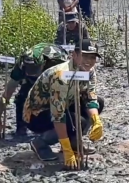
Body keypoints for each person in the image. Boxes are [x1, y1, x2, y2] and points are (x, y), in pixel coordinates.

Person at [23, 39, 104, 169]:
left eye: (93, 57)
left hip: (65, 103)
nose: (89, 60)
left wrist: (96, 120)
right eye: (85, 56)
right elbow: (58, 114)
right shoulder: (61, 75)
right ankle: (40, 143)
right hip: (37, 114)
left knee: (98, 102)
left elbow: (90, 97)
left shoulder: (89, 71)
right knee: (76, 121)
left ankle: (74, 142)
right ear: (74, 55)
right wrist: (66, 150)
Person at [0, 43, 68, 135]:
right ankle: (21, 128)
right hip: (34, 78)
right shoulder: (21, 64)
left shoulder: (58, 61)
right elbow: (8, 92)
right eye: (29, 70)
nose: (31, 73)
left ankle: (56, 127)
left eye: (34, 70)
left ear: (43, 63)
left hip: (53, 76)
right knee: (22, 97)